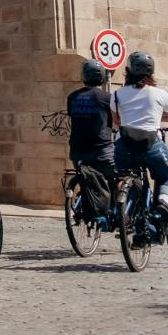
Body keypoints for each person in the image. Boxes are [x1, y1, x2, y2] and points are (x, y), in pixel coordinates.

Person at [114, 53, 168, 219]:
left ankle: (125, 212)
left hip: (124, 147)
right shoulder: (159, 94)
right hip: (151, 145)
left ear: (128, 71)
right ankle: (162, 201)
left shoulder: (117, 95)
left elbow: (116, 121)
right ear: (151, 73)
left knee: (123, 176)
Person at [65, 60, 118, 220]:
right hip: (101, 151)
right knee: (117, 177)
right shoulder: (106, 97)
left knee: (86, 180)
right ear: (101, 77)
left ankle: (88, 206)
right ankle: (115, 211)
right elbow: (116, 119)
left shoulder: (72, 97)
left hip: (77, 153)